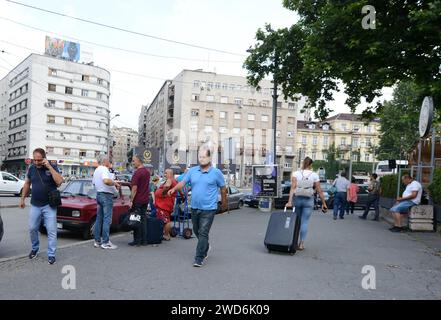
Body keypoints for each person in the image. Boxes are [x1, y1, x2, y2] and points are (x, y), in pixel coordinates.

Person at [168, 145, 227, 268]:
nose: (201, 159)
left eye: (204, 156)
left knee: (203, 233)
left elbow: (223, 188)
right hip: (194, 207)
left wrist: (224, 202)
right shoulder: (193, 171)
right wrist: (174, 188)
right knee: (197, 231)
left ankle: (199, 258)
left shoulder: (216, 173)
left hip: (209, 209)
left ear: (210, 157)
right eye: (200, 156)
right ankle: (205, 246)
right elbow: (182, 182)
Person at [19, 148, 64, 265]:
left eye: (39, 160)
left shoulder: (52, 167)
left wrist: (49, 167)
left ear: (44, 158)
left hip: (49, 205)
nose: (37, 162)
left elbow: (59, 181)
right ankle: (35, 248)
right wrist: (22, 198)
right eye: (35, 160)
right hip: (35, 204)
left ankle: (51, 254)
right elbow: (27, 183)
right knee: (32, 228)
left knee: (51, 230)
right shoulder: (32, 168)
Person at [286, 157, 328, 251]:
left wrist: (289, 201)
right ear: (311, 165)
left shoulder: (296, 173)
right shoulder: (314, 175)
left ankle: (294, 242)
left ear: (303, 163)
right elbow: (319, 190)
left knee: (297, 221)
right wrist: (324, 203)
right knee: (304, 222)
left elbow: (292, 188)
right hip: (308, 200)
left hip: (297, 199)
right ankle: (301, 244)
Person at [92, 156, 120, 250]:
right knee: (107, 219)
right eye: (108, 160)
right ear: (104, 161)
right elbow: (106, 181)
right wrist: (115, 183)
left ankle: (97, 241)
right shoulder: (104, 169)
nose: (109, 162)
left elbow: (94, 183)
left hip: (99, 194)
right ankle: (106, 242)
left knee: (99, 219)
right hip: (106, 196)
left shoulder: (96, 170)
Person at [129, 155, 151, 246]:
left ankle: (137, 240)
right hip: (145, 200)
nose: (133, 163)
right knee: (143, 220)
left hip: (137, 200)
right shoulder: (147, 172)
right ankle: (144, 240)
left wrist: (131, 200)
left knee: (136, 220)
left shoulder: (137, 173)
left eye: (134, 161)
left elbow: (134, 188)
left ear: (139, 161)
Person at [155, 169, 180, 241]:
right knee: (165, 219)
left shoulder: (170, 180)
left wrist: (163, 193)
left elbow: (167, 186)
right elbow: (179, 189)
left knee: (166, 220)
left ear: (170, 174)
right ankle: (166, 234)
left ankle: (166, 235)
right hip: (166, 204)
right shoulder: (174, 181)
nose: (164, 174)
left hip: (164, 204)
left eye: (166, 173)